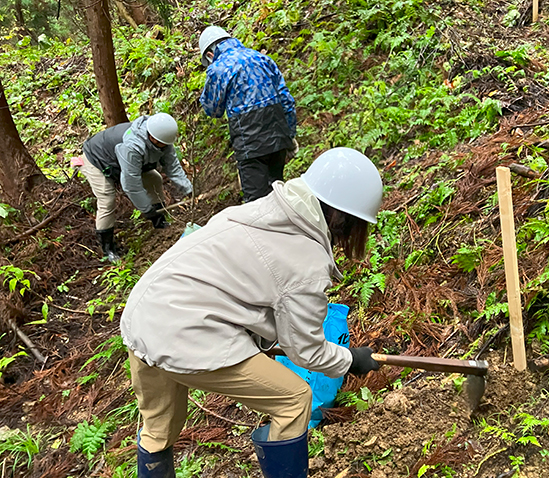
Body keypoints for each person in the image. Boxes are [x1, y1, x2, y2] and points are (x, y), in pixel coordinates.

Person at [120, 147, 383, 478]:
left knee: (158, 426)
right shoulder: (305, 260)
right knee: (294, 400)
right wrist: (350, 360)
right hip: (185, 332)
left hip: (143, 315)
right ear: (342, 219)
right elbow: (306, 351)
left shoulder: (262, 209)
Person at [198, 25, 298, 203]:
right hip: (278, 131)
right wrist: (289, 134)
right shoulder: (262, 58)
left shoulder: (218, 69)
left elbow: (212, 109)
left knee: (256, 203)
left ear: (209, 54)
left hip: (249, 138)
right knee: (277, 194)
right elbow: (286, 99)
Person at [78, 113, 193, 262]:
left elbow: (173, 167)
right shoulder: (132, 146)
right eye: (161, 144)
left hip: (121, 160)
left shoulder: (163, 139)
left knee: (154, 178)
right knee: (107, 199)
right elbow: (131, 184)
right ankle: (108, 249)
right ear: (152, 138)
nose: (165, 147)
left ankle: (160, 223)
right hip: (96, 160)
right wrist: (146, 208)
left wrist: (188, 189)